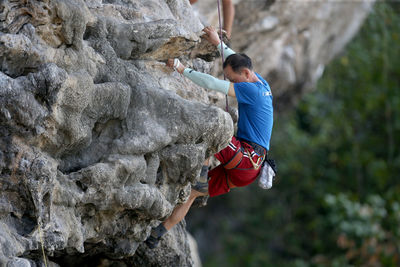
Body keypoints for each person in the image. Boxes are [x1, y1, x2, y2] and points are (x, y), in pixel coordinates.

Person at [145, 26, 273, 249]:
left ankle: (202, 176)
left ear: (245, 75)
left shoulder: (249, 90)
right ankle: (157, 234)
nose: (233, 83)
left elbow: (213, 84)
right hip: (249, 169)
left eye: (234, 79)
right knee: (194, 193)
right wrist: (217, 42)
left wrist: (181, 68)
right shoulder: (260, 83)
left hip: (245, 158)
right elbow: (235, 60)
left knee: (214, 126)